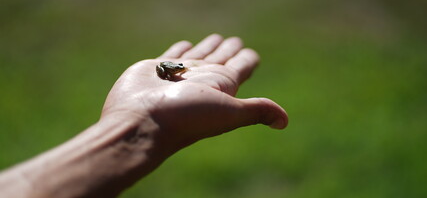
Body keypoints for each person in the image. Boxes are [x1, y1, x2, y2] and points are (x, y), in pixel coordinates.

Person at [0, 34, 288, 198]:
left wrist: (137, 120)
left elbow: (173, 67)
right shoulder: (169, 71)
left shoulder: (177, 69)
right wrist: (140, 118)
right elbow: (165, 69)